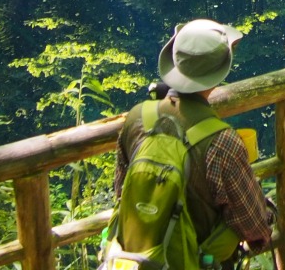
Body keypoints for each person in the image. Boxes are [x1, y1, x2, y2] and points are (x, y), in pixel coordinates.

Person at [113, 20, 272, 264]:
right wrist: (268, 212)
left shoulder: (137, 118)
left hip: (137, 261)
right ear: (219, 73)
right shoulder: (222, 141)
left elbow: (122, 193)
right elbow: (255, 228)